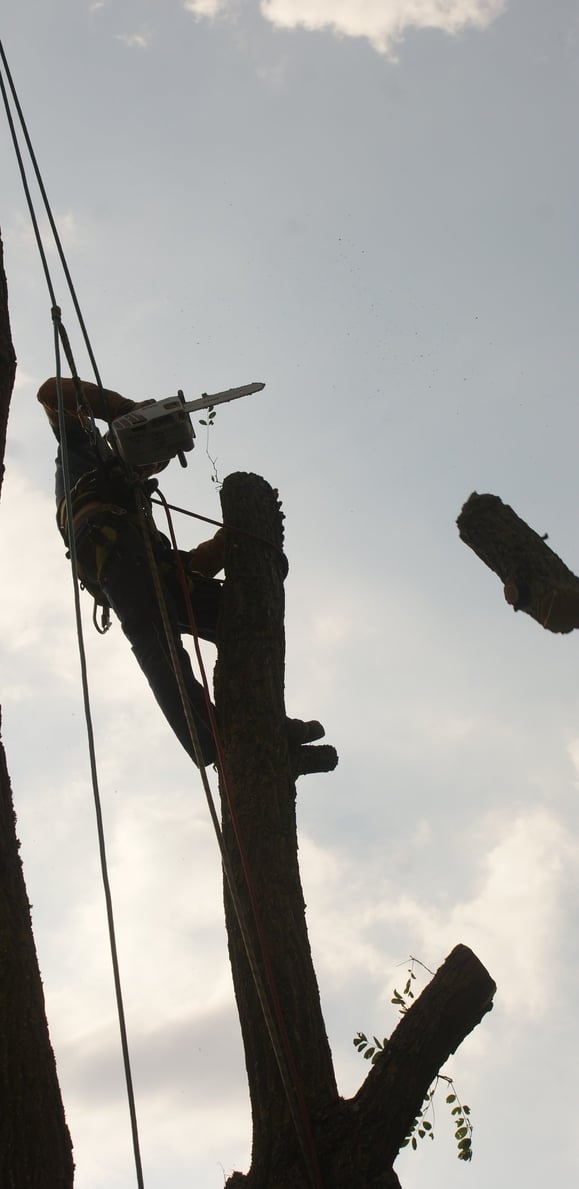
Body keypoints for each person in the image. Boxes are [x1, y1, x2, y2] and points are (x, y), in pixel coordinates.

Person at [38, 376, 324, 769]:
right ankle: (214, 738)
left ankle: (260, 724)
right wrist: (124, 409)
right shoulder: (85, 446)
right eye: (152, 457)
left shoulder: (137, 506)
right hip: (109, 548)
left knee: (241, 613)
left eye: (160, 462)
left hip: (142, 562)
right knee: (157, 637)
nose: (153, 466)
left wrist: (224, 546)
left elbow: (175, 569)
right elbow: (51, 390)